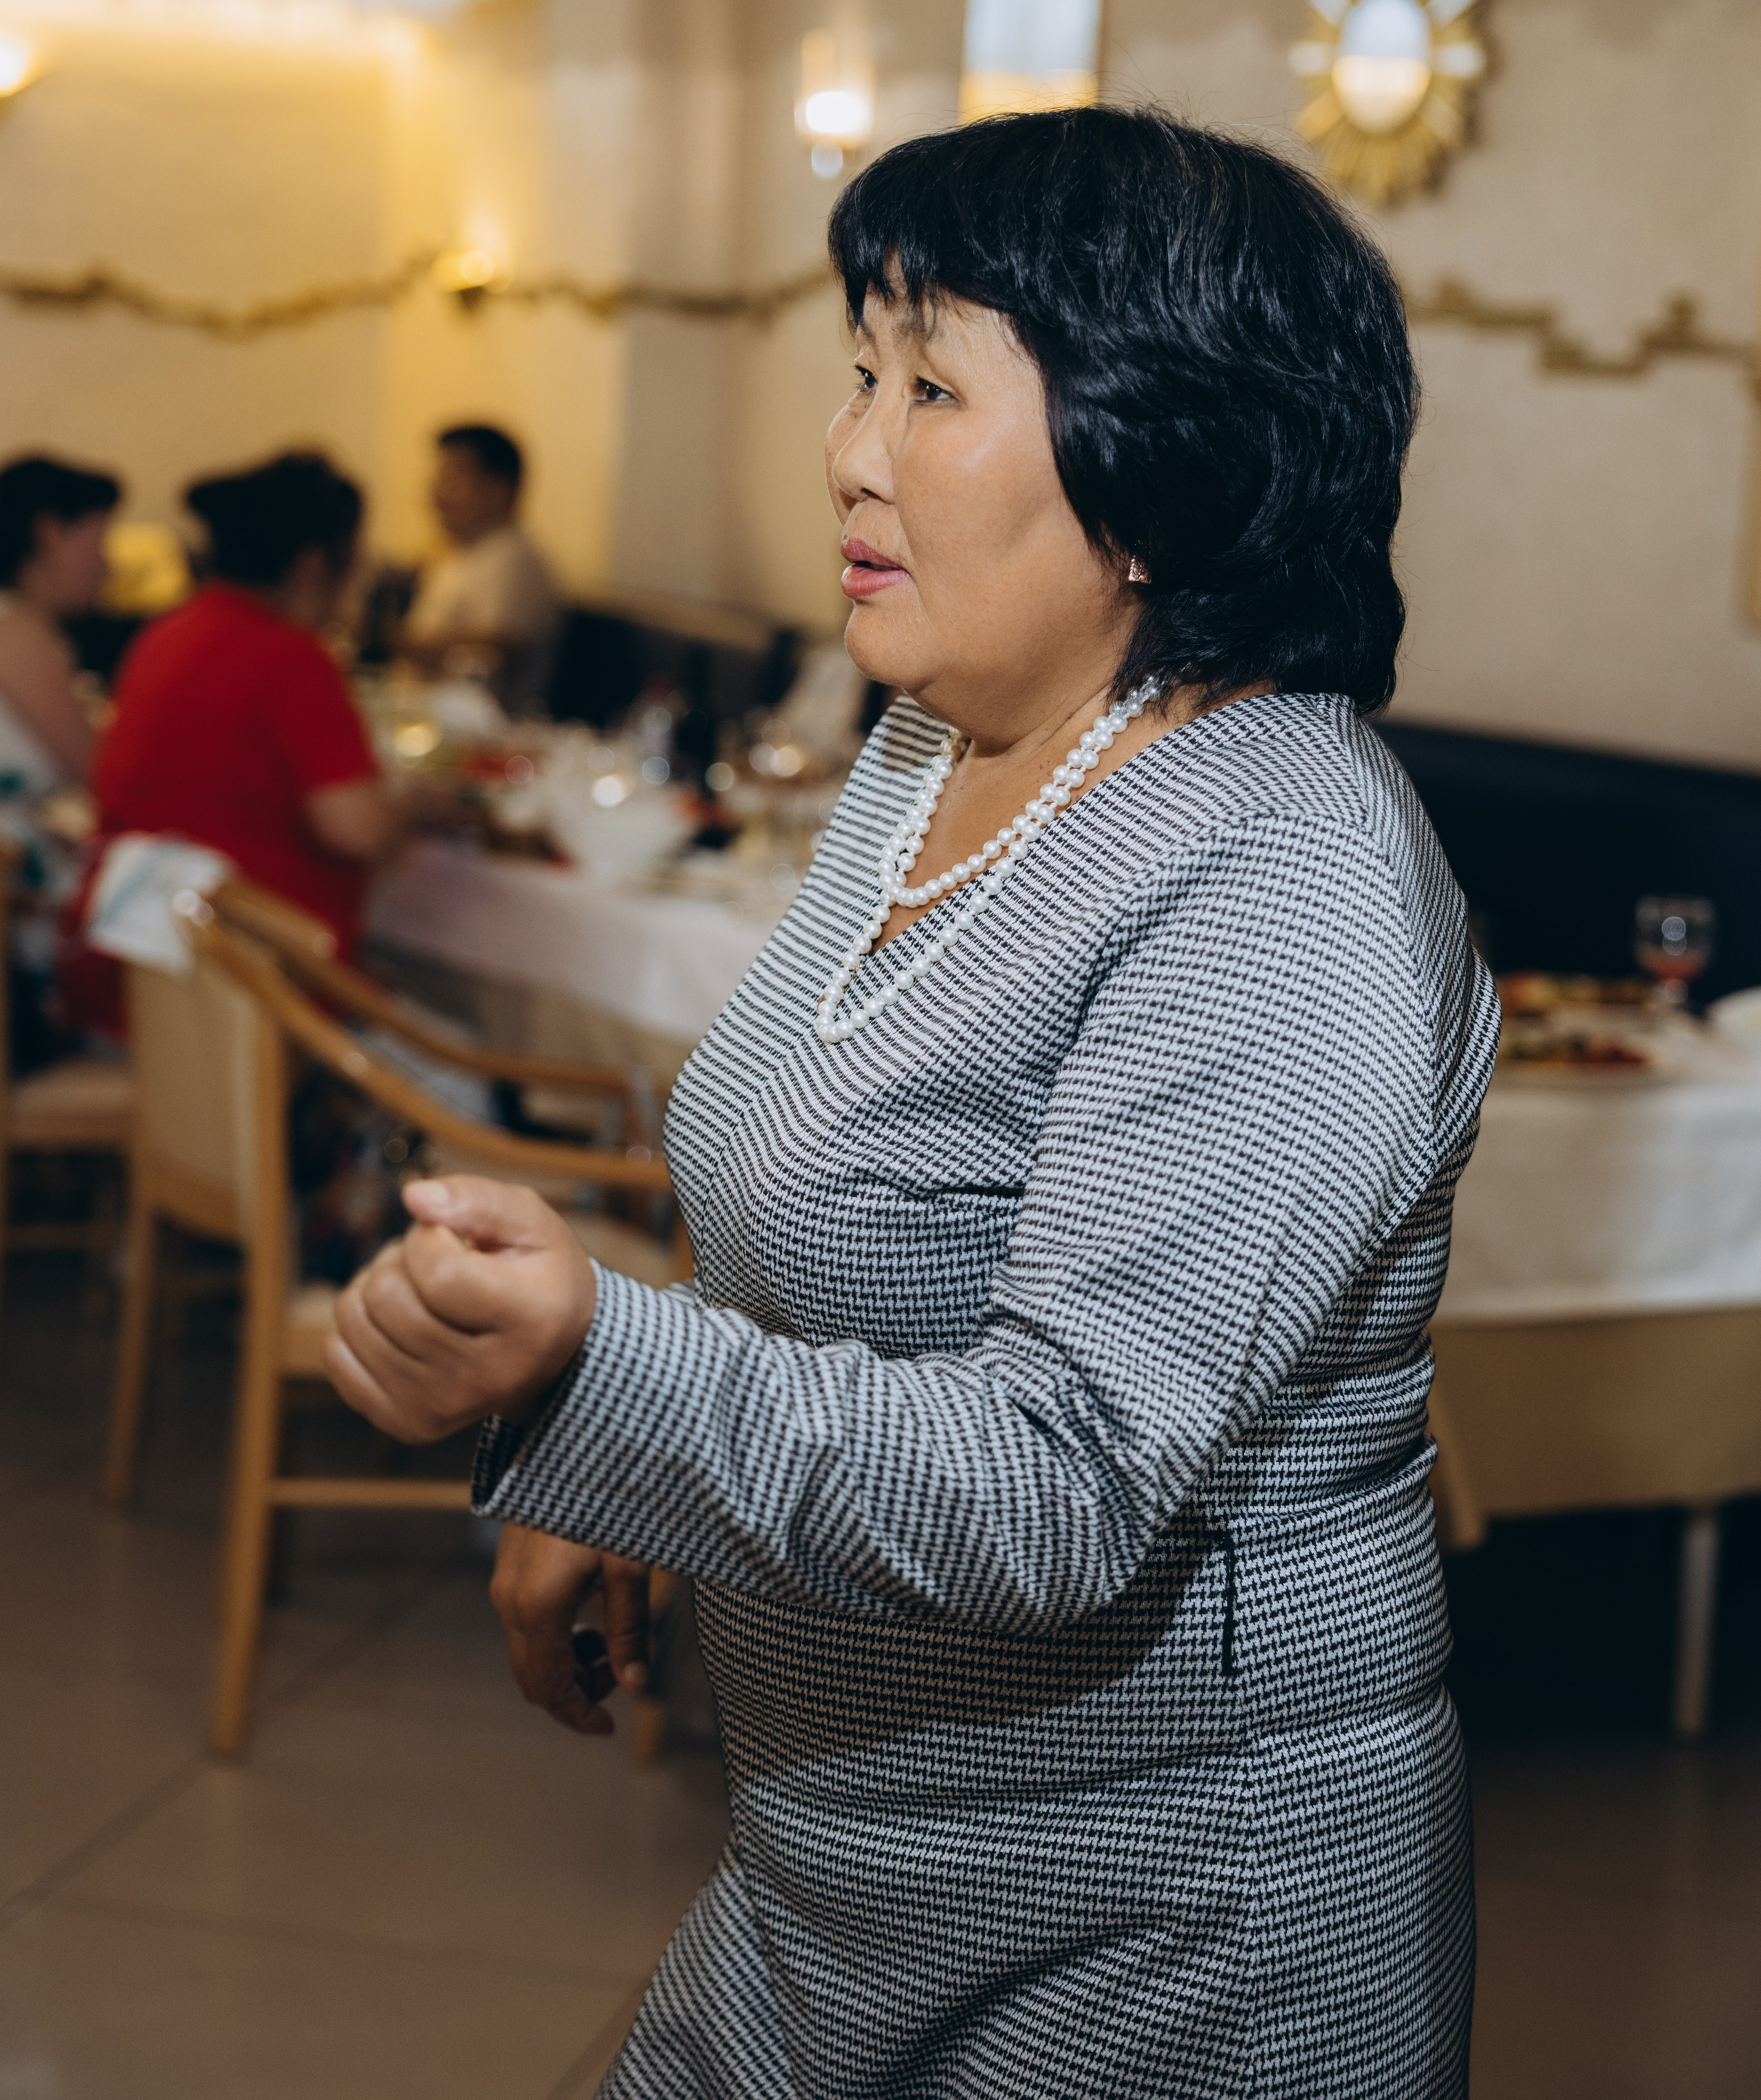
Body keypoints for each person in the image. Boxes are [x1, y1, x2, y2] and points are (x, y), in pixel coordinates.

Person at [325, 110, 1498, 2099]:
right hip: (839, 1852)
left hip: (1166, 1922)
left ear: (1157, 458)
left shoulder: (1289, 870)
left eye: (933, 385)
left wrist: (604, 1367)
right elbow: (839, 1202)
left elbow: (1059, 1483)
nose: (851, 449)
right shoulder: (934, 744)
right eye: (861, 374)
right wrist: (632, 1473)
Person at [93, 451, 398, 954]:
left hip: (135, 953)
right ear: (314, 565)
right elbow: (358, 829)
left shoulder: (167, 632)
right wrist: (413, 811)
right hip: (242, 983)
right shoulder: (288, 656)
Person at [0, 456, 122, 1064]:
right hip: (15, 915)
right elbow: (104, 773)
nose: (108, 563)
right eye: (98, 540)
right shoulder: (17, 632)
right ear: (49, 533)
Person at [400, 423, 559, 714]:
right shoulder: (456, 552)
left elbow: (499, 648)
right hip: (428, 715)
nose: (437, 492)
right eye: (438, 476)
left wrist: (398, 642)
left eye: (453, 477)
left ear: (499, 488)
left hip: (485, 731)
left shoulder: (514, 558)